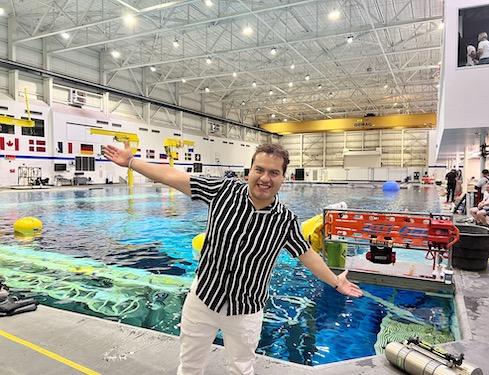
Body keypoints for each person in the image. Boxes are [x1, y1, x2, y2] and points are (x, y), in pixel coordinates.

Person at [102, 142, 363, 374]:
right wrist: (132, 162)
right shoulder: (223, 192)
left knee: (241, 369)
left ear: (284, 177)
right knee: (189, 367)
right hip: (203, 299)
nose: (265, 178)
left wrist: (335, 282)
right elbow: (174, 176)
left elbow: (307, 255)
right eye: (259, 170)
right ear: (249, 172)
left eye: (274, 172)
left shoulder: (285, 220)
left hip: (246, 310)